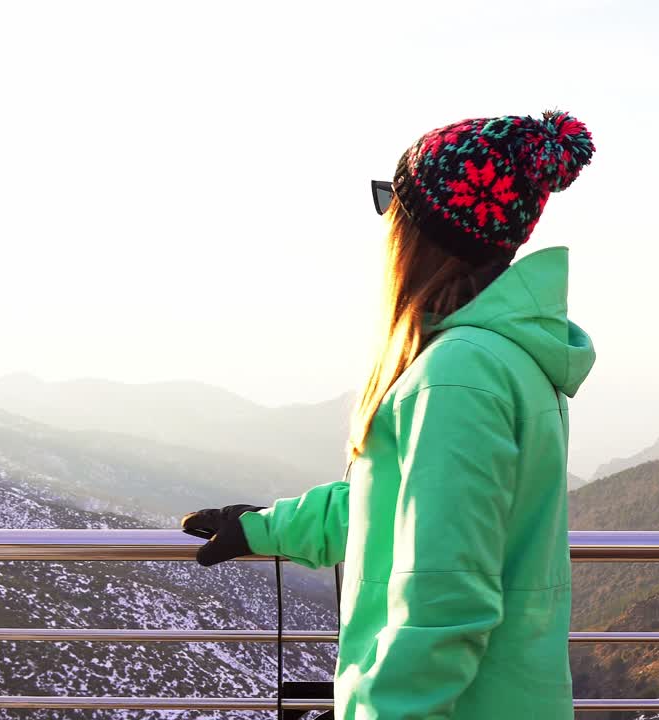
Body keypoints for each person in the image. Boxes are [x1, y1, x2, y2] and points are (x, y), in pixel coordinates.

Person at [182, 109, 597, 720]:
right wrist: (266, 528)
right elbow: (403, 507)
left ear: (426, 232)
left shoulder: (459, 377)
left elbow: (446, 598)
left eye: (391, 203)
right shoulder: (501, 357)